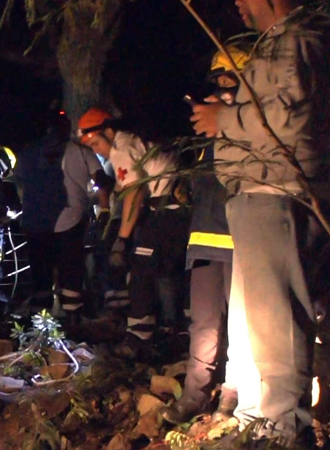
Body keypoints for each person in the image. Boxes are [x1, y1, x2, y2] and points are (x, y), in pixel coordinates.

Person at [191, 0, 330, 442]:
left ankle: (287, 429)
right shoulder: (277, 43)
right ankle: (261, 419)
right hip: (255, 196)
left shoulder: (301, 39)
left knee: (279, 324)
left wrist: (224, 119)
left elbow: (290, 119)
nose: (236, 4)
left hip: (279, 193)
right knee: (258, 324)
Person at [161, 47, 250, 425]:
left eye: (228, 82)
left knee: (243, 324)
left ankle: (235, 391)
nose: (218, 91)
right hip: (204, 240)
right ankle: (196, 393)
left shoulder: (251, 127)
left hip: (242, 240)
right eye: (216, 83)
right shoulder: (206, 139)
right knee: (203, 322)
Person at [78, 108, 189, 359]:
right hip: (171, 208)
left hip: (167, 209)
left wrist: (122, 239)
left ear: (108, 132)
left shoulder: (122, 146)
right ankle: (170, 330)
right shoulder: (134, 140)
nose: (96, 150)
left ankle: (139, 339)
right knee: (163, 270)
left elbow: (133, 193)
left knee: (141, 270)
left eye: (96, 142)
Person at [14, 110, 112, 324]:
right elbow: (101, 180)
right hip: (71, 218)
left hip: (36, 221)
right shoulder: (81, 151)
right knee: (71, 270)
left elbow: (19, 184)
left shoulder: (28, 152)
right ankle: (73, 321)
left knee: (41, 274)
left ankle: (38, 324)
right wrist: (104, 209)